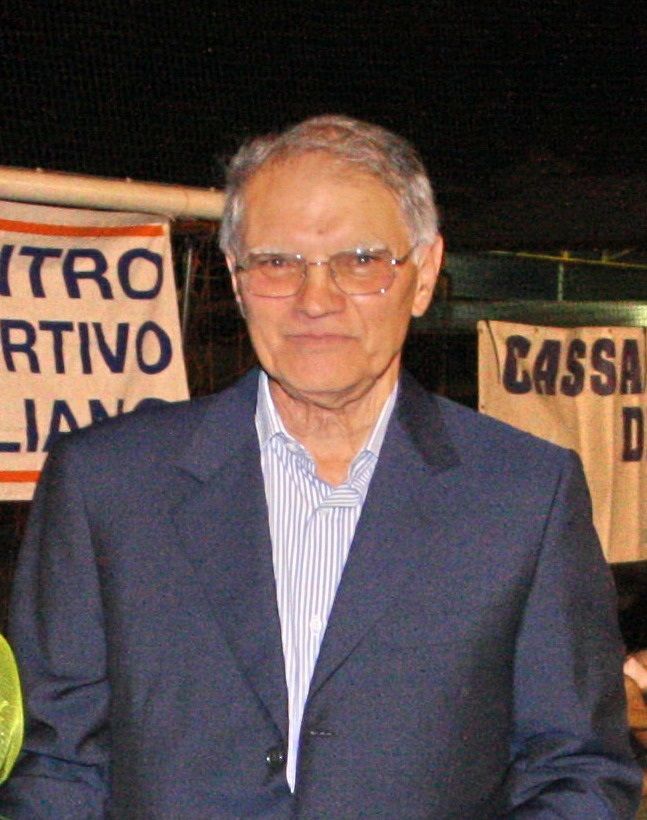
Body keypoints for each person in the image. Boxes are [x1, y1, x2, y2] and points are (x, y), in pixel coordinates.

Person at [0, 115, 641, 817]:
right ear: (235, 279)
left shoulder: (524, 495)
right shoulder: (108, 484)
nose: (315, 300)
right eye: (277, 263)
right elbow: (55, 765)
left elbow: (576, 768)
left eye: (359, 261)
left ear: (424, 274)